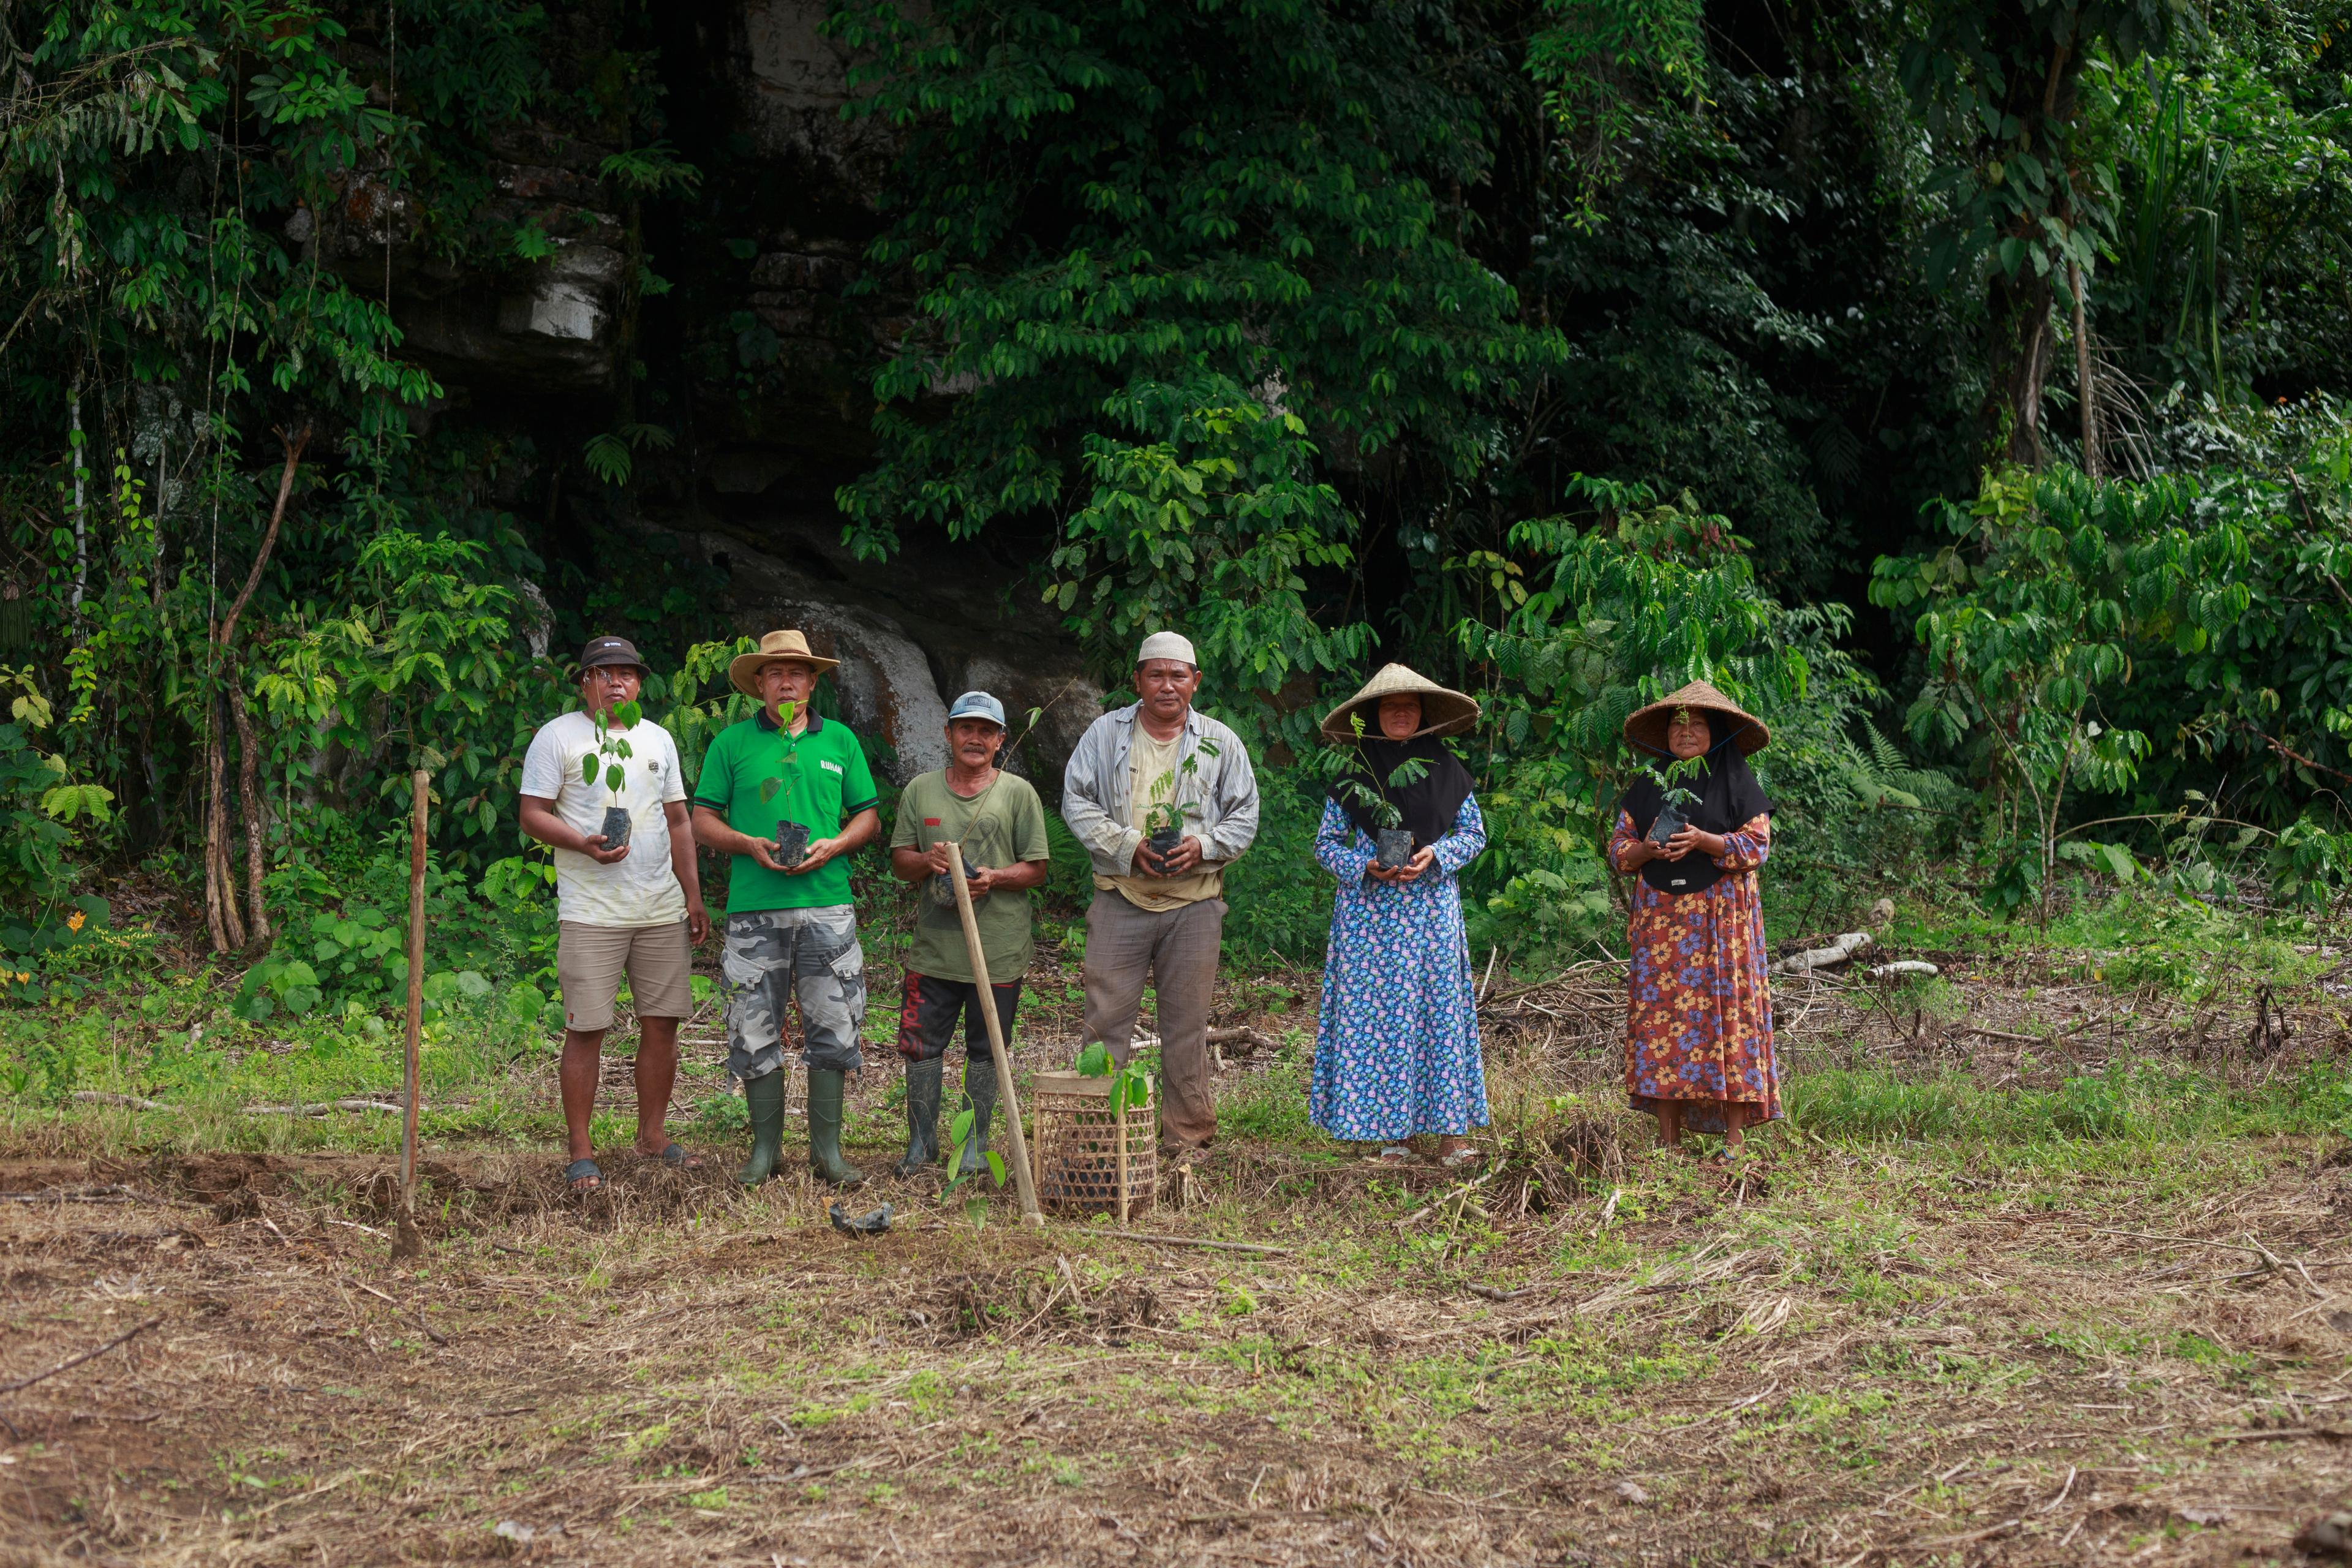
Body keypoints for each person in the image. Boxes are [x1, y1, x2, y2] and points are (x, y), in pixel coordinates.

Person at [518, 636, 711, 1194]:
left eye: (627, 673)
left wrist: (692, 894)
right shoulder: (559, 736)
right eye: (604, 674)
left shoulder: (658, 739)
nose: (616, 683)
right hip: (591, 911)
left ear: (640, 683)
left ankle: (653, 1136)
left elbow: (679, 821)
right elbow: (532, 813)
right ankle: (581, 1150)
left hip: (659, 908)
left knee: (663, 1023)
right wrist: (581, 843)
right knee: (587, 1028)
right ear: (585, 683)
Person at [689, 629, 882, 1188]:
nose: (787, 682)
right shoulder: (732, 744)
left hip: (827, 907)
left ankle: (828, 1153)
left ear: (812, 682)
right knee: (752, 1025)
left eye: (797, 672)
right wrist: (745, 843)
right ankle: (765, 1151)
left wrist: (836, 844)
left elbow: (868, 816)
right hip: (755, 910)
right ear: (760, 684)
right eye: (775, 673)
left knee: (835, 1025)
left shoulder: (840, 740)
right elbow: (702, 820)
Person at [1061, 631, 1259, 1153]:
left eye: (1178, 675)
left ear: (1195, 682)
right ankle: (1096, 1140)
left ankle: (1187, 1138)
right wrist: (1128, 846)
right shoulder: (1105, 734)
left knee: (1187, 1026)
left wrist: (1203, 846)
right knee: (1104, 1021)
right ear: (1138, 681)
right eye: (1156, 674)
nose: (1167, 685)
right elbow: (1076, 800)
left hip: (1194, 904)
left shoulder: (1220, 741)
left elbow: (1245, 815)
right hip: (1120, 897)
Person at [1308, 665, 1490, 1168]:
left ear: (1424, 714)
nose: (1401, 714)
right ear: (1373, 716)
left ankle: (1451, 1138)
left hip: (1430, 915)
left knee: (1439, 1016)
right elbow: (1325, 845)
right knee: (1381, 1023)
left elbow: (1474, 834)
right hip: (1370, 922)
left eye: (1410, 706)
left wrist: (1438, 854)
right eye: (1391, 707)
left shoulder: (1448, 768)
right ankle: (1396, 1137)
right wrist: (1362, 865)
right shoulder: (1354, 773)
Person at [1607, 679, 1781, 1160]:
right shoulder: (1649, 783)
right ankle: (1668, 1142)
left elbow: (1757, 846)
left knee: (1728, 1021)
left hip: (1721, 926)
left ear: (1717, 732)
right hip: (1662, 928)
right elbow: (1619, 850)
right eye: (1677, 724)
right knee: (1665, 1026)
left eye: (1698, 724)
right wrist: (1647, 849)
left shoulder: (1736, 780)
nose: (1686, 732)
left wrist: (1705, 841)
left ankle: (1734, 1144)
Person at [886, 692, 1053, 1176]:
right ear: (949, 734)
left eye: (986, 731)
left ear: (1001, 740)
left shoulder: (1017, 793)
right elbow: (900, 862)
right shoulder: (921, 791)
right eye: (966, 728)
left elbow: (1037, 868)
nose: (975, 739)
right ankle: (922, 1145)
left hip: (998, 949)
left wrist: (994, 878)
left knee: (987, 1048)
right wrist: (927, 860)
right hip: (935, 950)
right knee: (921, 1046)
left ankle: (974, 1146)